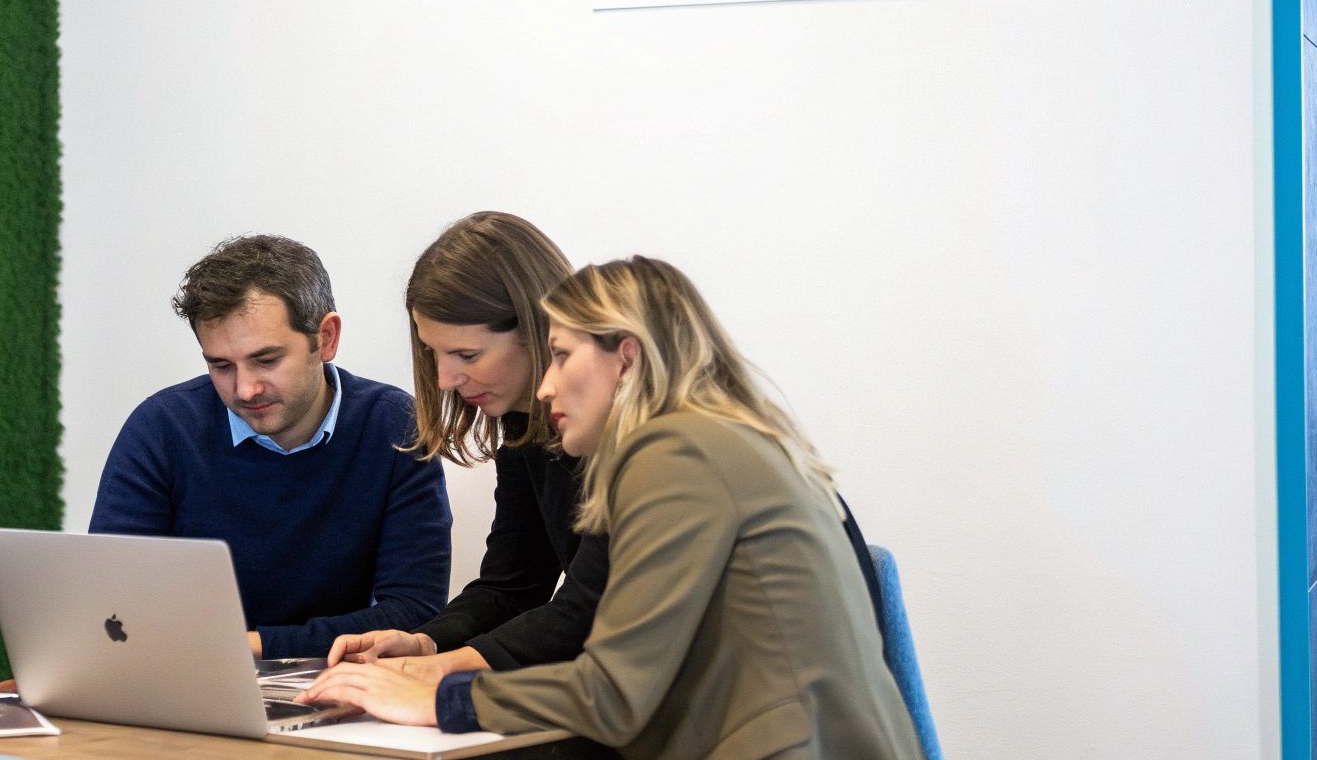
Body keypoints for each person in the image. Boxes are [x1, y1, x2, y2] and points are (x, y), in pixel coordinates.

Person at [301, 257, 922, 760]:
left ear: (626, 357)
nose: (545, 386)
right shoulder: (718, 438)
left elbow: (613, 689)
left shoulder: (677, 455)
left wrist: (442, 695)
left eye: (563, 356)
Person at [89, 234, 452, 659]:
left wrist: (252, 646)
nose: (245, 389)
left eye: (266, 360)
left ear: (327, 338)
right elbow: (113, 604)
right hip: (188, 674)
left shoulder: (394, 425)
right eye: (220, 365)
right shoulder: (162, 429)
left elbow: (414, 612)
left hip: (333, 684)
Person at [326, 212, 610, 680]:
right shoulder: (521, 427)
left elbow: (591, 607)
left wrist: (438, 670)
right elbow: (511, 585)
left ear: (538, 329)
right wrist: (425, 642)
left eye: (467, 355)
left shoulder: (629, 437)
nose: (444, 380)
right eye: (434, 353)